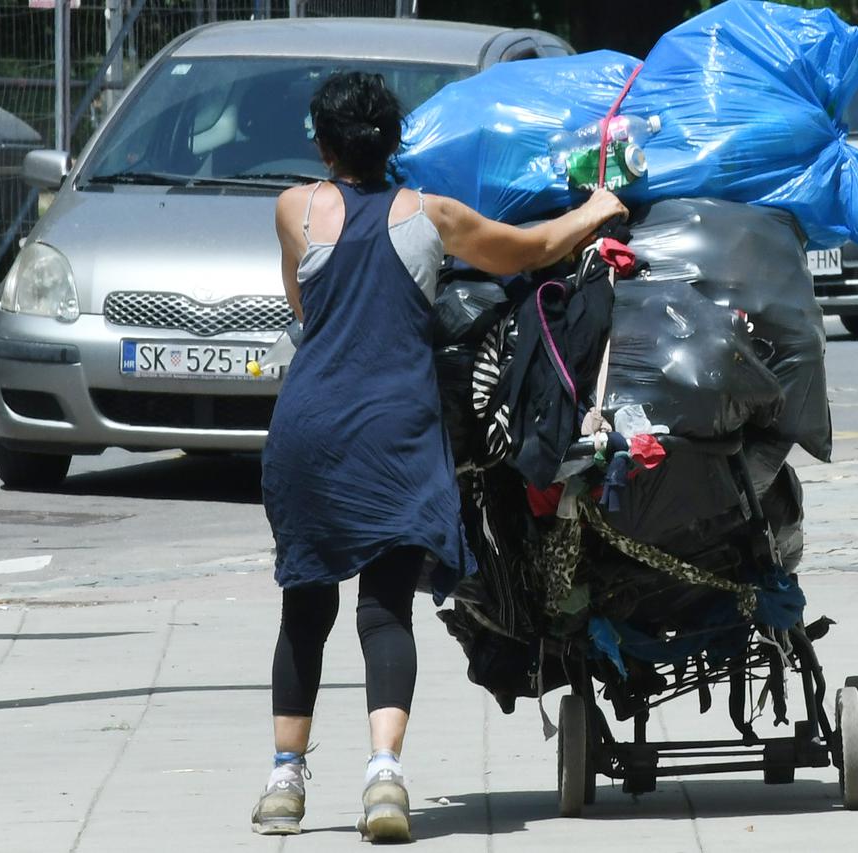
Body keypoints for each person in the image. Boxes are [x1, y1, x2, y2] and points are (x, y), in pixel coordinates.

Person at [251, 71, 627, 842]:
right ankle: (385, 778)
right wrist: (595, 207)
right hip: (397, 431)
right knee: (385, 610)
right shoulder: (433, 214)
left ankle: (284, 783)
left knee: (304, 607)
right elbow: (530, 250)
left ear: (324, 147)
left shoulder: (296, 210)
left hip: (308, 430)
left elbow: (302, 305)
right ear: (395, 145)